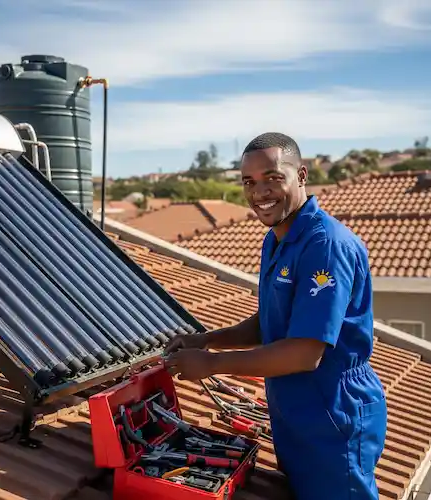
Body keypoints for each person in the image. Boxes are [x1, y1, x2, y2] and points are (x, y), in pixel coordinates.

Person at [164, 132, 387, 500]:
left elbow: (304, 352)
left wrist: (211, 363)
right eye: (249, 182)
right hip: (296, 411)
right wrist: (207, 339)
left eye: (272, 177)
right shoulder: (278, 237)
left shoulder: (325, 246)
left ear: (301, 175)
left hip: (332, 412)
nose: (259, 192)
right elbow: (271, 319)